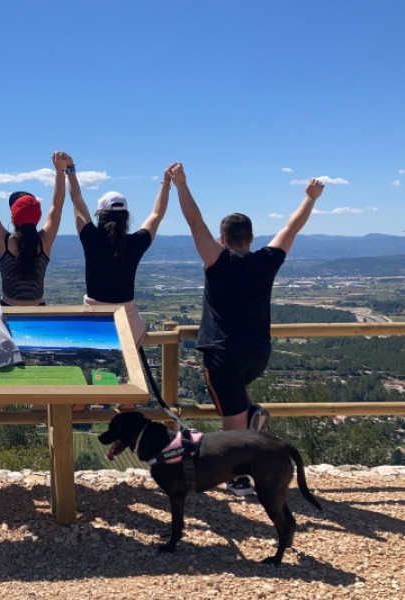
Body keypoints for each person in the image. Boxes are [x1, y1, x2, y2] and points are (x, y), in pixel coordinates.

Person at [173, 163, 325, 496]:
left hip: (223, 352)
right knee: (236, 405)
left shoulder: (217, 259)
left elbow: (194, 221)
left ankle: (238, 477)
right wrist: (310, 198)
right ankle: (251, 414)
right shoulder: (267, 259)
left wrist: (181, 184)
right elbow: (291, 227)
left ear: (222, 238)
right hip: (258, 353)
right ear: (251, 238)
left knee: (231, 422)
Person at [68, 161, 177, 347]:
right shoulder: (136, 243)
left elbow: (77, 199)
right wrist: (166, 182)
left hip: (94, 321)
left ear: (100, 215)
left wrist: (69, 170)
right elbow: (156, 214)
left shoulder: (91, 238)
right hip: (129, 323)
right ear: (126, 217)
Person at [0, 152, 67, 306]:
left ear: (13, 218)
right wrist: (60, 171)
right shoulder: (44, 242)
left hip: (8, 310)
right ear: (38, 217)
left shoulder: (6, 242)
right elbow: (57, 205)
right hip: (38, 311)